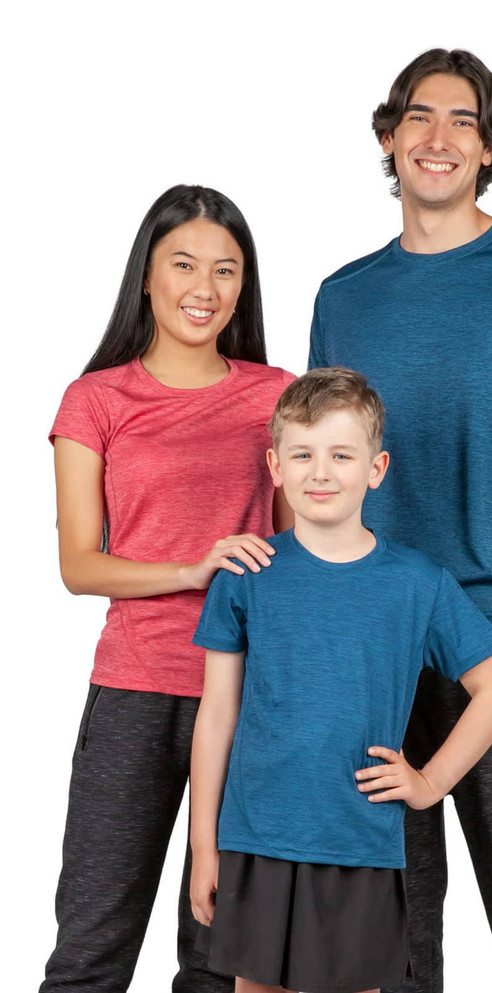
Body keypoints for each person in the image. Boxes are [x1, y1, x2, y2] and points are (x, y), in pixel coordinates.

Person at [308, 49, 492, 993]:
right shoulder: (342, 295)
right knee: (393, 922)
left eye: (463, 122)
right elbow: (316, 479)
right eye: (420, 119)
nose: (438, 140)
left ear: (489, 148)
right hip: (374, 638)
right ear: (391, 137)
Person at [41, 184, 295, 993]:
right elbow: (80, 563)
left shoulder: (275, 395)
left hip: (250, 695)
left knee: (223, 951)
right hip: (135, 688)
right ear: (146, 276)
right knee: (91, 942)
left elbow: (301, 549)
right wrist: (192, 569)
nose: (206, 288)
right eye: (184, 264)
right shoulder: (96, 400)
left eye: (226, 270)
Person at [189, 366, 492, 993]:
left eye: (341, 454)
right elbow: (217, 714)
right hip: (258, 836)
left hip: (359, 838)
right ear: (275, 465)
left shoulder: (417, 581)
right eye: (303, 454)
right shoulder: (246, 574)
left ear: (376, 467)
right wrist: (205, 845)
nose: (321, 472)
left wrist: (429, 782)